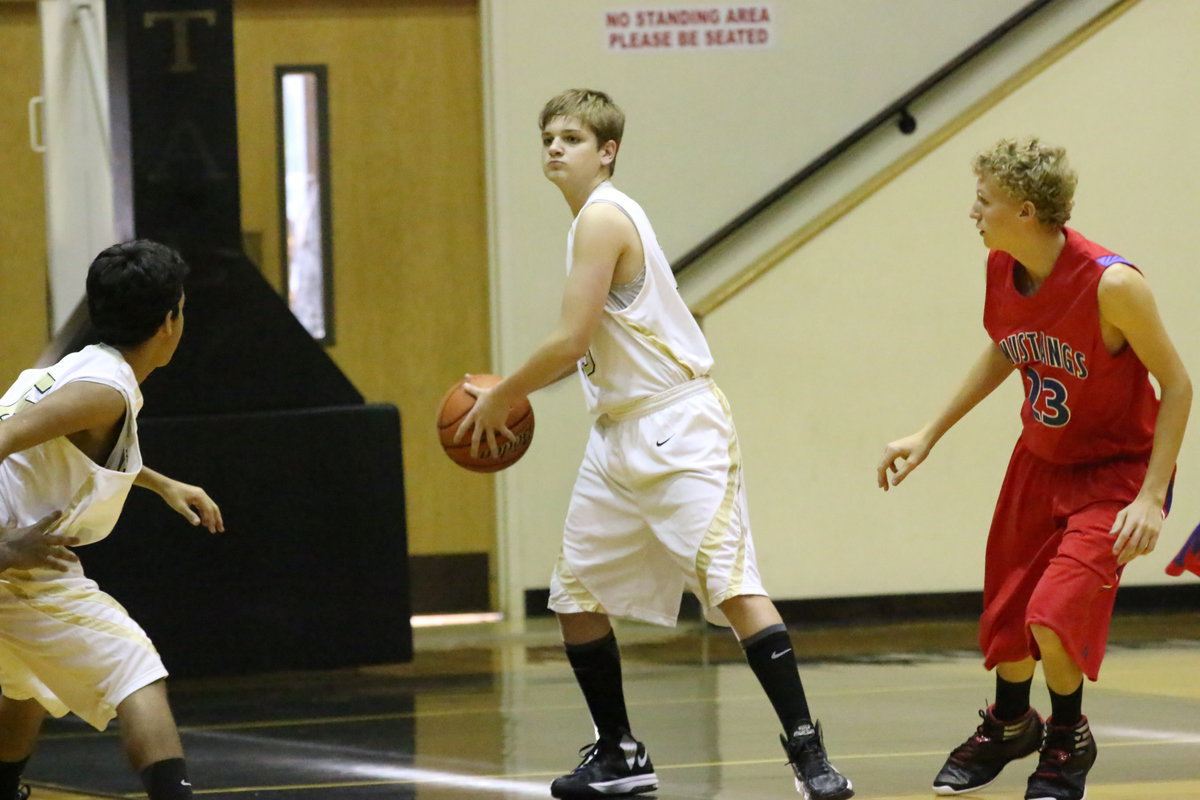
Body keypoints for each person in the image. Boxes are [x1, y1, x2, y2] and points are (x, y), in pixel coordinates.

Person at [457, 89, 853, 800]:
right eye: (548, 136)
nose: (554, 147)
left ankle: (808, 752)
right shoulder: (589, 221)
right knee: (575, 596)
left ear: (605, 152)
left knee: (734, 588)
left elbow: (569, 341)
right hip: (618, 434)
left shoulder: (605, 216)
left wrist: (502, 394)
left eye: (572, 137)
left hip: (679, 427)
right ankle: (619, 753)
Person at [877, 138, 1191, 800]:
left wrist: (1152, 497)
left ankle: (1068, 741)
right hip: (1039, 464)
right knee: (1008, 619)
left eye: (982, 201)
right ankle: (1011, 724)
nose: (973, 213)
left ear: (1024, 210)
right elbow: (1008, 347)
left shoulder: (1113, 284)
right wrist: (930, 432)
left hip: (1113, 477)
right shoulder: (1002, 266)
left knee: (1054, 615)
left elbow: (1179, 385)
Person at [0, 239, 225, 800]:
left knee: (26, 680)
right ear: (170, 321)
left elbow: (67, 447)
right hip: (17, 566)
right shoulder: (102, 391)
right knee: (135, 670)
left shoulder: (86, 369)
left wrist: (159, 481)